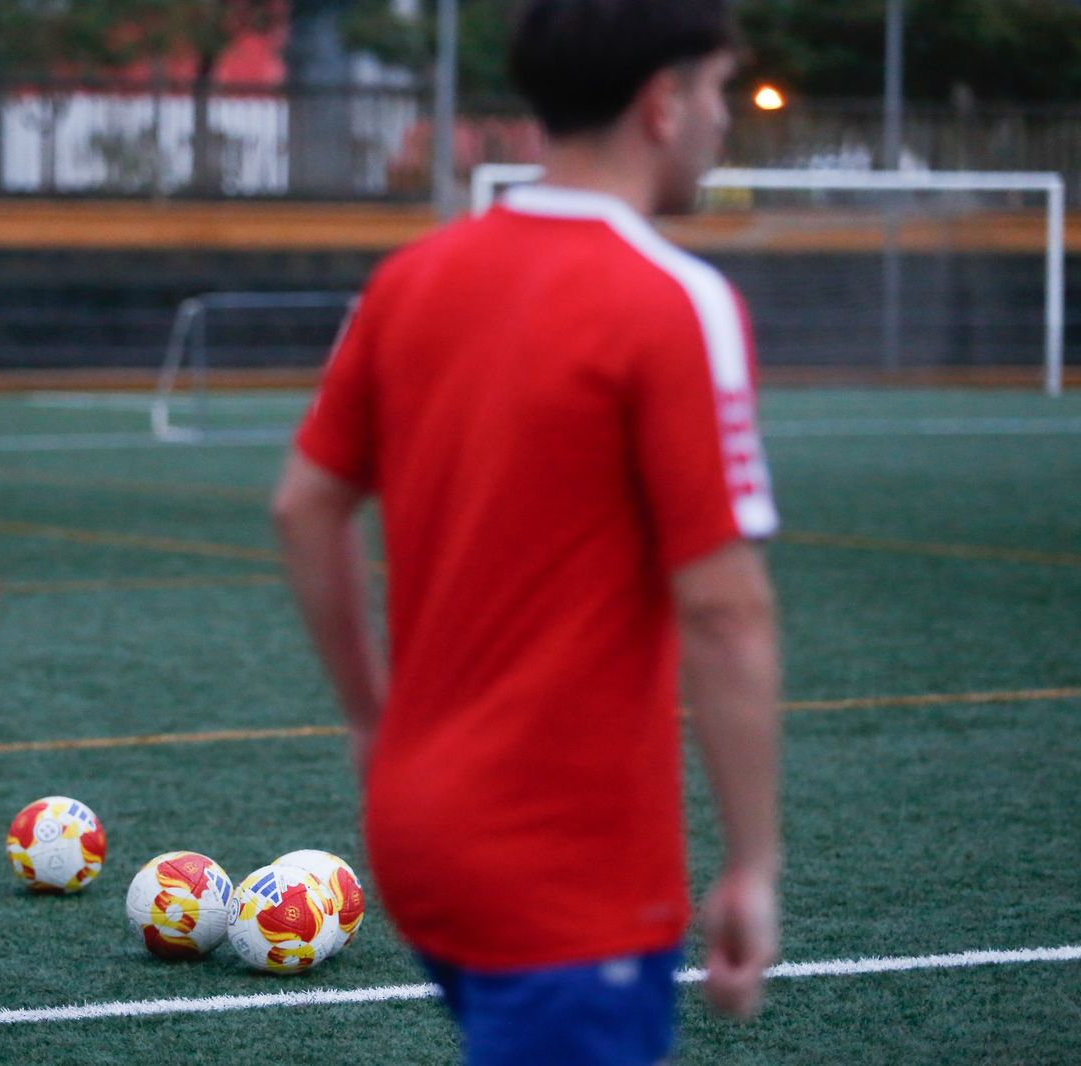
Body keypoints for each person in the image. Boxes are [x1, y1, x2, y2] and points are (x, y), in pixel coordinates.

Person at [271, 1, 783, 1062]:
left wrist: (372, 718)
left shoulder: (411, 278)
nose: (723, 118)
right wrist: (752, 864)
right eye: (717, 89)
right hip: (568, 862)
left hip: (421, 831)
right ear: (661, 101)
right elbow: (726, 613)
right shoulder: (673, 301)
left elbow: (303, 504)